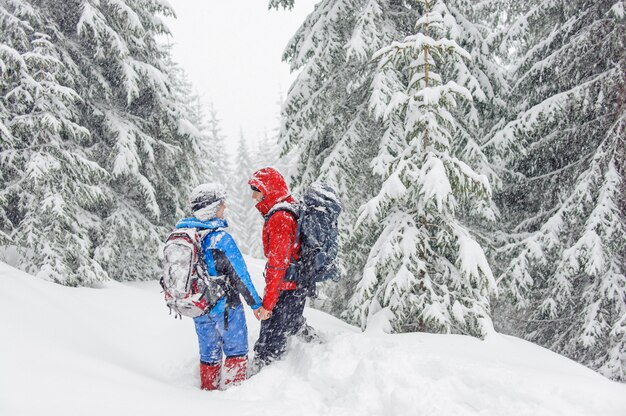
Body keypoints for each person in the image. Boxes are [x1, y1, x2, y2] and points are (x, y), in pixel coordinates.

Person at [176, 183, 262, 391]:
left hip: (199, 305)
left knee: (208, 353)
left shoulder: (187, 235)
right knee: (236, 351)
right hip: (225, 307)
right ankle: (232, 397)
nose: (224, 208)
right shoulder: (220, 239)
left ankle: (208, 392)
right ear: (212, 208)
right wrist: (256, 304)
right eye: (221, 204)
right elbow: (240, 275)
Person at [248, 167, 308, 373]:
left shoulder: (280, 218)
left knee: (269, 348)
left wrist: (268, 304)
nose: (253, 196)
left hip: (285, 289)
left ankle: (262, 383)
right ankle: (313, 348)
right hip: (296, 286)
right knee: (290, 328)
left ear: (269, 190)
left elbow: (277, 265)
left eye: (257, 190)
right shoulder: (290, 208)